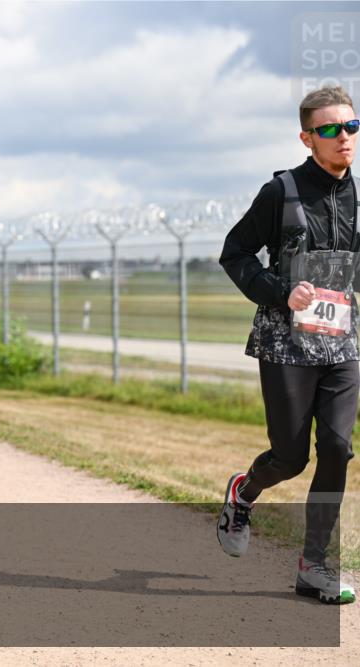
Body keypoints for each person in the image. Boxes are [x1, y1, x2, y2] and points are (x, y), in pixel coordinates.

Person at [218, 85, 358, 604]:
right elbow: (235, 253)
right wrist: (281, 291)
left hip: (342, 344)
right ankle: (244, 491)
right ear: (307, 138)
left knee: (338, 449)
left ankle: (314, 566)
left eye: (351, 126)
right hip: (286, 344)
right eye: (330, 129)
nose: (344, 137)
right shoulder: (281, 192)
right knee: (290, 457)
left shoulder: (358, 197)